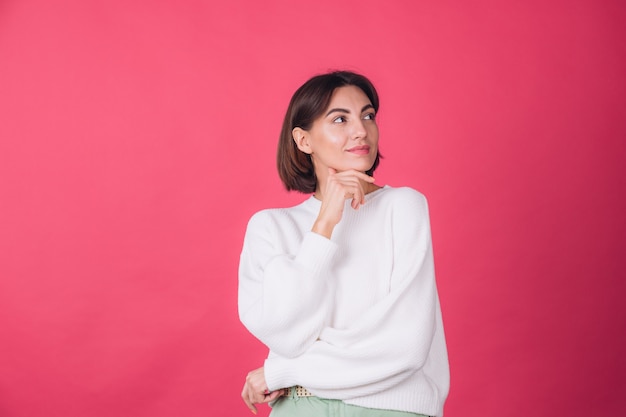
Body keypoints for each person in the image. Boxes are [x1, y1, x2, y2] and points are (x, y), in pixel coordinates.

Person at [238, 70, 449, 417]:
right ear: (304, 141)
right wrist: (324, 225)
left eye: (368, 115)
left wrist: (283, 370)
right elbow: (284, 333)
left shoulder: (404, 207)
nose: (361, 131)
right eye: (340, 119)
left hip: (391, 409)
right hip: (298, 407)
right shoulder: (271, 227)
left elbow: (405, 347)